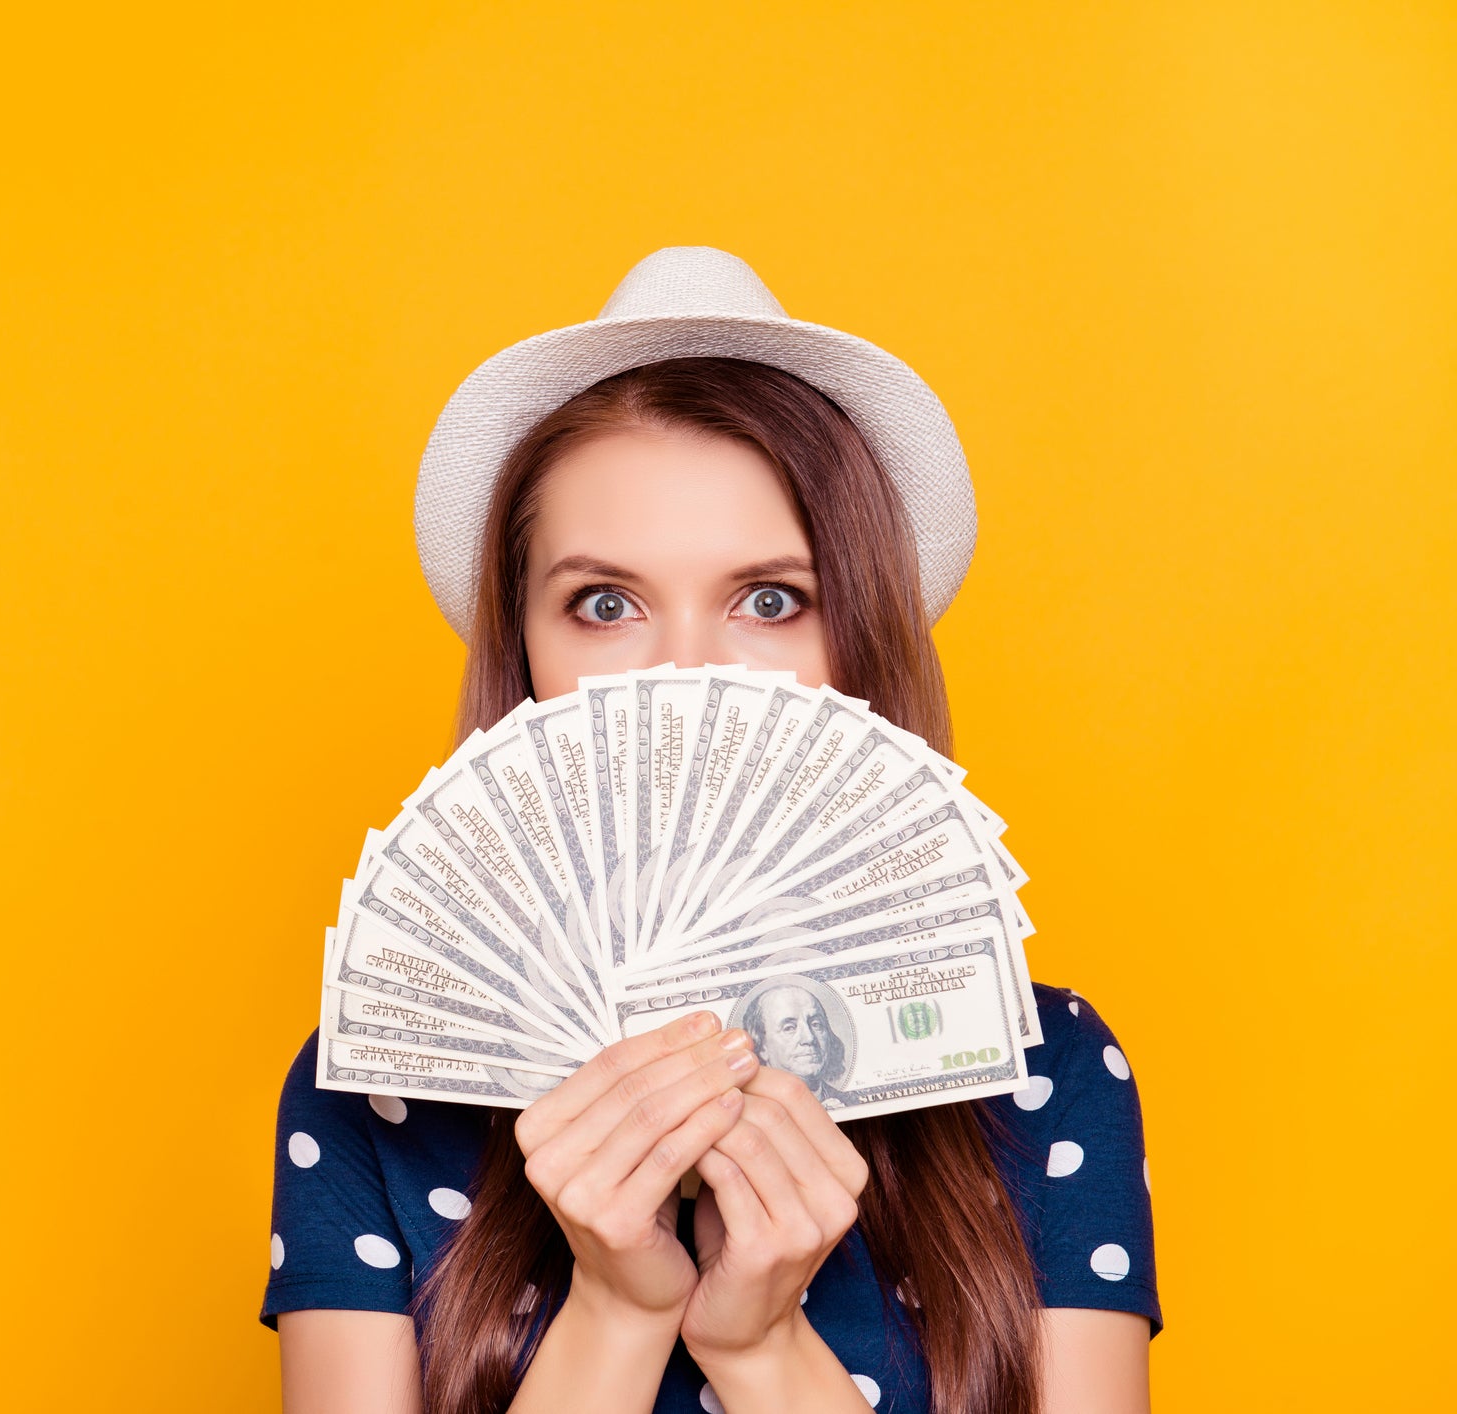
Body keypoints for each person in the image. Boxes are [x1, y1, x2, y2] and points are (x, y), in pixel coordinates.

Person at [263, 248, 1159, 1414]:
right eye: (605, 604)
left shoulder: (1047, 1077)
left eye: (770, 599)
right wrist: (618, 1310)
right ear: (525, 658)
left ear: (859, 643)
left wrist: (759, 1344)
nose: (685, 670)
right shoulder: (369, 1095)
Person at [735, 980, 849, 1103]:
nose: (809, 1038)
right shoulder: (748, 1107)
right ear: (762, 1046)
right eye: (789, 1028)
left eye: (816, 1024)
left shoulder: (849, 1101)